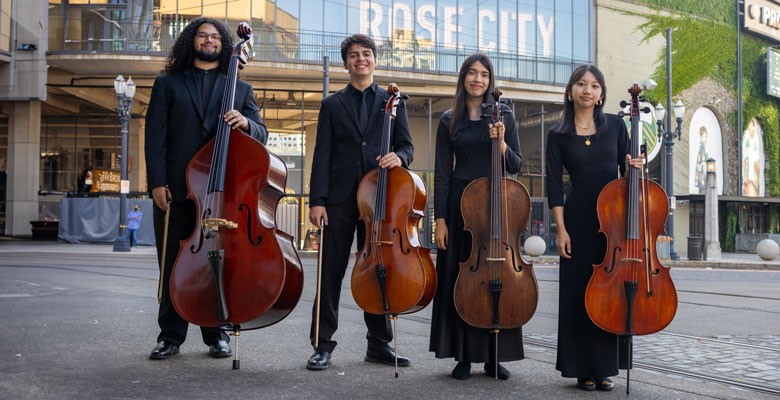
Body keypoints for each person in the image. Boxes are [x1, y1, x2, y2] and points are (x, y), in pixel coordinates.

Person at [144, 17, 268, 360]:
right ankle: (170, 336)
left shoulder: (239, 89)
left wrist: (246, 123)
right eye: (202, 35)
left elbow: (262, 131)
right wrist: (156, 182)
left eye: (215, 36)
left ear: (225, 45)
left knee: (217, 263)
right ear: (191, 41)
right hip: (175, 190)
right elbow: (154, 138)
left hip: (220, 192)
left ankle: (216, 334)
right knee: (172, 264)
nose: (209, 40)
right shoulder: (167, 84)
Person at [306, 33, 414, 370]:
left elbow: (407, 147)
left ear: (374, 59)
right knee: (330, 272)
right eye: (353, 55)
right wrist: (317, 201)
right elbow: (320, 156)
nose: (360, 59)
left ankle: (379, 345)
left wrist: (399, 157)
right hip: (339, 198)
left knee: (378, 269)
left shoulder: (393, 101)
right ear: (346, 63)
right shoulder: (332, 105)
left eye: (366, 54)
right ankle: (322, 344)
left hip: (378, 198)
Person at [545, 64, 643, 391]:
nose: (588, 90)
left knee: (609, 294)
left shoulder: (615, 126)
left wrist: (635, 168)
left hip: (611, 223)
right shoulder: (558, 134)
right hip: (577, 219)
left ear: (601, 94)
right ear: (571, 91)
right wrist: (561, 230)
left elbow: (627, 177)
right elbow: (554, 187)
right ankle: (582, 368)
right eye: (582, 84)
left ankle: (606, 367)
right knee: (578, 293)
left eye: (595, 86)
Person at [429, 53, 524, 381]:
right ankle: (463, 356)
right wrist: (439, 219)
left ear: (490, 80)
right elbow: (442, 174)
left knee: (497, 278)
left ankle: (494, 356)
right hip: (460, 206)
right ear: (463, 78)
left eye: (484, 74)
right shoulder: (448, 119)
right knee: (461, 280)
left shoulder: (504, 116)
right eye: (472, 73)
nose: (478, 79)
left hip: (496, 206)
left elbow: (516, 164)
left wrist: (501, 146)